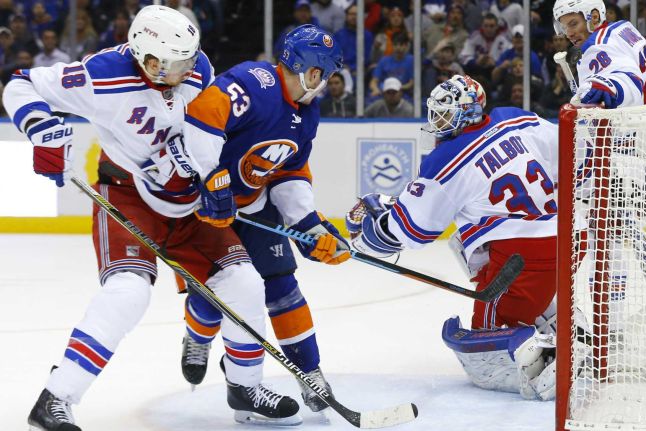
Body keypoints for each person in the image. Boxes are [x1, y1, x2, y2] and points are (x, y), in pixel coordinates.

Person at [3, 6, 301, 430]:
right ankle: (56, 398)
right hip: (129, 198)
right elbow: (21, 85)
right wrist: (41, 127)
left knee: (245, 284)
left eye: (190, 58)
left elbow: (209, 131)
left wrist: (214, 179)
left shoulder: (197, 67)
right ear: (149, 59)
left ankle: (245, 388)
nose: (190, 68)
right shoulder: (102, 75)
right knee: (128, 294)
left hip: (187, 203)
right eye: (178, 63)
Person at [346, 74, 563, 400]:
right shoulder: (515, 117)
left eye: (445, 114)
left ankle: (552, 362)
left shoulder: (446, 159)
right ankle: (549, 314)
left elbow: (412, 231)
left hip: (525, 261)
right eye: (436, 113)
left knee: (485, 351)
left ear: (467, 113)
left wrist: (370, 236)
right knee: (465, 242)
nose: (437, 121)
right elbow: (570, 149)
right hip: (568, 236)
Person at [174, 23, 351, 413]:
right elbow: (202, 119)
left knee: (282, 285)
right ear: (310, 69)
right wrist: (211, 179)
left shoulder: (308, 114)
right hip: (208, 211)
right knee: (212, 296)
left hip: (254, 207)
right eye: (325, 74)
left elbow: (289, 172)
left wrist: (309, 225)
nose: (325, 84)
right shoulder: (254, 83)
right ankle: (197, 337)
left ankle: (309, 372)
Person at [553, 0, 646, 109]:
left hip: (640, 124)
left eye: (573, 24)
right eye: (564, 27)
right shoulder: (622, 28)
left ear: (594, 17)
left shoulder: (597, 45)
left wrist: (607, 86)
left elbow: (626, 77)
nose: (568, 34)